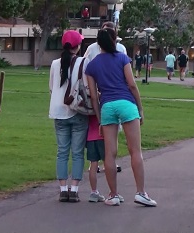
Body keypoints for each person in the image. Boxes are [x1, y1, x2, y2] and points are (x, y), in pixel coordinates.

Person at [85, 27, 157, 207]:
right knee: (135, 151)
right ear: (114, 40)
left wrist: (100, 119)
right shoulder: (122, 58)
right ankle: (141, 192)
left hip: (107, 106)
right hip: (126, 103)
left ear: (97, 43)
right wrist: (140, 109)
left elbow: (94, 96)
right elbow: (132, 85)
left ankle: (113, 194)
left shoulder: (91, 65)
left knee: (110, 154)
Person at [49, 30, 89, 203]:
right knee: (78, 153)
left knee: (62, 152)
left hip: (58, 111)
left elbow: (51, 88)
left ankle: (63, 189)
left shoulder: (54, 63)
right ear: (78, 46)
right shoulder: (84, 62)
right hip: (77, 110)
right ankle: (74, 190)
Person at [84, 22, 123, 173]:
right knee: (98, 129)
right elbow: (86, 67)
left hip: (113, 93)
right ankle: (94, 162)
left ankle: (110, 161)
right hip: (99, 91)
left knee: (113, 129)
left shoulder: (121, 49)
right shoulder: (91, 49)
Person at [86, 115, 124, 203]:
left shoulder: (89, 105)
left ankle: (94, 191)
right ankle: (113, 192)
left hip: (91, 137)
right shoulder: (103, 107)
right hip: (103, 137)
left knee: (93, 164)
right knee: (108, 163)